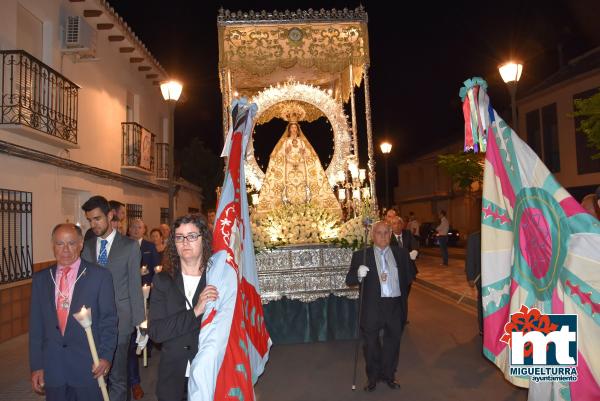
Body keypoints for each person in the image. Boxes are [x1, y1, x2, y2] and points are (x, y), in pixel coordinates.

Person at [29, 223, 118, 401]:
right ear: (52, 245)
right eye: (60, 243)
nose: (66, 249)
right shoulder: (41, 279)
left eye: (71, 243)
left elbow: (109, 320)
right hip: (54, 368)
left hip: (89, 367)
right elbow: (36, 327)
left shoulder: (99, 276)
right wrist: (37, 366)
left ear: (81, 244)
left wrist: (105, 357)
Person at [81, 196, 146, 401]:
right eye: (90, 220)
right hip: (92, 323)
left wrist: (140, 323)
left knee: (117, 377)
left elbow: (135, 287)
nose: (94, 224)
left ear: (110, 215)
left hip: (121, 322)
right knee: (96, 375)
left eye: (98, 218)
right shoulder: (87, 245)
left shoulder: (129, 246)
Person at [148, 214, 218, 401]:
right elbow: (156, 332)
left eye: (192, 236)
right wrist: (196, 311)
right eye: (179, 237)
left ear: (204, 240)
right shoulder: (163, 280)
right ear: (174, 243)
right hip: (173, 377)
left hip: (210, 374)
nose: (185, 242)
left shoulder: (216, 279)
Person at [346, 221, 412, 392]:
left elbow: (409, 277)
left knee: (392, 344)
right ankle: (373, 377)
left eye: (386, 233)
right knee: (371, 345)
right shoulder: (362, 255)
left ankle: (389, 375)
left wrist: (411, 260)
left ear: (391, 234)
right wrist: (358, 275)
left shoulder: (401, 253)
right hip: (372, 307)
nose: (383, 236)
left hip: (394, 305)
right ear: (372, 235)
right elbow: (350, 280)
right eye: (379, 233)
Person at [254, 119, 341, 218]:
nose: (294, 129)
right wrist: (285, 152)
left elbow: (311, 156)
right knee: (289, 189)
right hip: (289, 170)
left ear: (298, 129)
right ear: (289, 129)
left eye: (295, 127)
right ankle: (288, 211)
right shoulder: (285, 142)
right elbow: (277, 156)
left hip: (301, 170)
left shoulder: (302, 142)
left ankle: (303, 211)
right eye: (292, 127)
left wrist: (304, 154)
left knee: (301, 189)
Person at [127, 218, 160, 399]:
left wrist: (152, 281)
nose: (136, 229)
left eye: (139, 227)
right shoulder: (123, 245)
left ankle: (147, 345)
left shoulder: (149, 245)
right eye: (133, 226)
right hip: (129, 295)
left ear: (144, 229)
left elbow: (156, 268)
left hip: (146, 290)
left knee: (145, 324)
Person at [389, 216, 419, 325]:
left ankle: (403, 317)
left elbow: (414, 244)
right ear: (391, 226)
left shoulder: (407, 234)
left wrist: (415, 250)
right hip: (394, 271)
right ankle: (396, 316)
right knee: (396, 295)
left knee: (405, 295)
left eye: (398, 223)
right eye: (394, 224)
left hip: (408, 271)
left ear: (402, 225)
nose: (396, 226)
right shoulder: (388, 237)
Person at [465, 231, 483, 336]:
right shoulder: (475, 237)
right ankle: (483, 328)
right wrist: (470, 276)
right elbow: (470, 257)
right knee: (482, 302)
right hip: (480, 277)